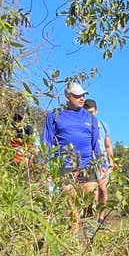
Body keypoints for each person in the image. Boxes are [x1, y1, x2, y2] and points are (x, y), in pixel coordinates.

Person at [43, 82, 105, 234]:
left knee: (90, 201)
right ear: (68, 96)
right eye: (77, 96)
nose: (82, 98)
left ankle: (90, 236)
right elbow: (47, 142)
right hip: (65, 166)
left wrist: (102, 163)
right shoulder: (55, 116)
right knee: (71, 206)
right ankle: (74, 239)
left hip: (87, 165)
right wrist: (46, 164)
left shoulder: (90, 118)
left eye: (83, 95)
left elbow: (96, 143)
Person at [83, 98, 115, 226]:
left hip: (102, 161)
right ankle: (91, 218)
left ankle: (101, 218)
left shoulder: (103, 125)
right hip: (88, 161)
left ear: (96, 111)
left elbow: (108, 145)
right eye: (87, 112)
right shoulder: (82, 126)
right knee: (92, 191)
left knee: (103, 189)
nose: (90, 115)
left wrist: (111, 162)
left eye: (92, 112)